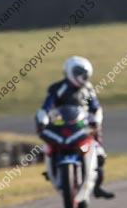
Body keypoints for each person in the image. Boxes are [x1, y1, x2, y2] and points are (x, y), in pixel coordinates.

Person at [35, 56, 115, 199]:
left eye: (84, 73)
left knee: (100, 154)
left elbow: (95, 107)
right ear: (69, 71)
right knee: (46, 147)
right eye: (79, 72)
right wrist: (43, 120)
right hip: (61, 126)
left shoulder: (88, 89)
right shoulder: (57, 88)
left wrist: (95, 119)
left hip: (80, 126)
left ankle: (96, 186)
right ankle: (51, 168)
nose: (82, 76)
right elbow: (46, 108)